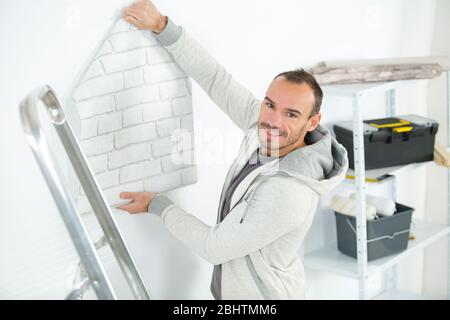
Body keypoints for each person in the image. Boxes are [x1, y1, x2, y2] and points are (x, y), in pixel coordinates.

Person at [117, 0, 348, 300]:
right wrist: (163, 26)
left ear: (312, 122)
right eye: (270, 104)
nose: (273, 121)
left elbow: (214, 248)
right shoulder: (264, 127)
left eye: (291, 113)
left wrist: (158, 205)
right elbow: (217, 80)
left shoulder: (289, 191)